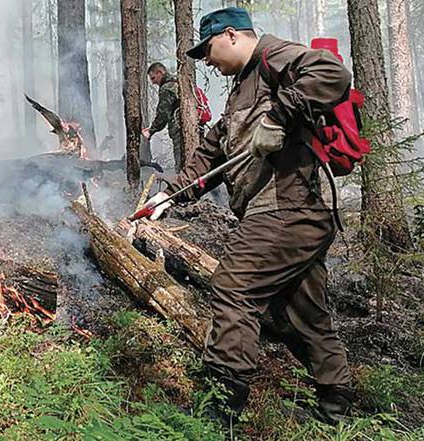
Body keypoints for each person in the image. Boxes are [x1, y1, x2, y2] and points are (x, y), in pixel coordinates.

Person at [142, 7, 354, 425]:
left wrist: (279, 116)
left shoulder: (274, 56)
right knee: (301, 311)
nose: (207, 61)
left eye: (208, 49)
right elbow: (211, 153)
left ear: (232, 35)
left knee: (233, 287)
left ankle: (222, 403)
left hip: (287, 208)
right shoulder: (241, 88)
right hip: (291, 214)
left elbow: (333, 73)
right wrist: (169, 196)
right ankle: (337, 402)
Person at [142, 63, 185, 172]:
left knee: (181, 166)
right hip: (191, 130)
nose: (153, 82)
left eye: (153, 78)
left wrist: (151, 131)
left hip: (180, 131)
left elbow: (163, 115)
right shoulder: (177, 82)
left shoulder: (166, 88)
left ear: (159, 73)